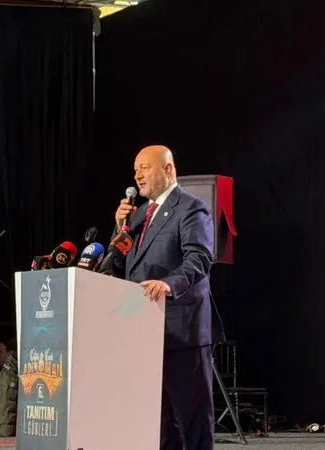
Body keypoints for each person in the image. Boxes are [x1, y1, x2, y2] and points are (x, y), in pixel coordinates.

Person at [106, 145, 215, 450]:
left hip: (181, 330)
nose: (137, 175)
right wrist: (119, 227)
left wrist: (168, 284)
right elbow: (118, 265)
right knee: (160, 424)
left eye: (145, 167)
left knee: (192, 421)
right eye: (135, 169)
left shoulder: (191, 208)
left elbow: (199, 258)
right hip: (144, 330)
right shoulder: (139, 214)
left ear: (168, 169)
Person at [0, 338, 18, 437]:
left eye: (0, 351)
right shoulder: (4, 372)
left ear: (10, 353)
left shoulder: (10, 373)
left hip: (9, 433)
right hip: (3, 432)